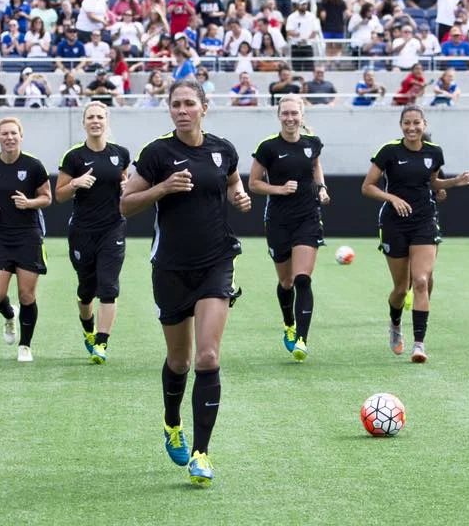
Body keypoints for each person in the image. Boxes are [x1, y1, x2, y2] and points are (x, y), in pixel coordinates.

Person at [120, 79, 252, 487]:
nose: (182, 110)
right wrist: (162, 188)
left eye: (189, 104)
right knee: (179, 361)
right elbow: (125, 205)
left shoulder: (222, 149)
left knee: (207, 357)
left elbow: (231, 181)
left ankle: (201, 453)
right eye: (175, 104)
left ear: (203, 108)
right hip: (172, 268)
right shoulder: (158, 154)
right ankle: (171, 421)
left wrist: (240, 195)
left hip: (217, 262)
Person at [361, 106, 469, 363]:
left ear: (424, 124)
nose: (412, 127)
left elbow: (434, 183)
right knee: (401, 289)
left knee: (422, 281)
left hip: (424, 220)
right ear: (401, 125)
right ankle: (394, 324)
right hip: (394, 223)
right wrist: (392, 198)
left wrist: (455, 182)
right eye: (407, 123)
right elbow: (367, 187)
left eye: (416, 123)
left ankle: (419, 344)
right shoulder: (389, 151)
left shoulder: (434, 152)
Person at [248, 96, 330, 361]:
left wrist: (322, 188)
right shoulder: (268, 147)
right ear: (279, 115)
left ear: (302, 116)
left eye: (295, 113)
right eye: (286, 113)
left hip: (308, 218)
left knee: (302, 278)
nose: (290, 118)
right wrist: (279, 190)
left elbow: (316, 166)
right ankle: (289, 324)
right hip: (278, 221)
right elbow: (254, 184)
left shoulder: (312, 143)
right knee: (286, 282)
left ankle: (302, 340)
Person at [55, 102, 130, 364]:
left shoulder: (120, 153)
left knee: (108, 287)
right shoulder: (74, 157)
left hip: (112, 228)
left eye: (100, 117)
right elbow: (59, 194)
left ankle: (101, 344)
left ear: (107, 121)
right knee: (87, 290)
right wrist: (75, 183)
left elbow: (125, 182)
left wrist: (126, 186)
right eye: (91, 117)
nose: (95, 121)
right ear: (84, 123)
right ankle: (88, 330)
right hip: (83, 231)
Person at [0, 117, 52, 361]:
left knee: (27, 295)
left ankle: (25, 346)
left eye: (14, 133)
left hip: (28, 236)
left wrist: (29, 203)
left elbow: (47, 197)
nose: (9, 137)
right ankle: (9, 315)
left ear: (21, 136)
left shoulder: (33, 165)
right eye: (4, 134)